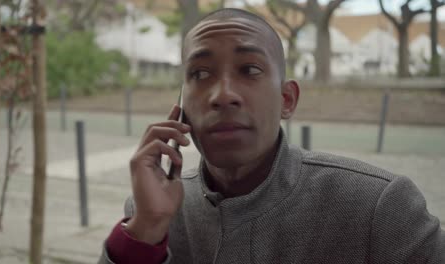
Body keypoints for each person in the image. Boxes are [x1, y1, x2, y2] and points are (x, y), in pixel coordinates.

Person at [99, 8, 444, 264]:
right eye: (200, 73)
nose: (222, 94)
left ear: (287, 99)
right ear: (180, 106)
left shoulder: (379, 207)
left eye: (249, 69)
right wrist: (145, 229)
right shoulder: (151, 212)